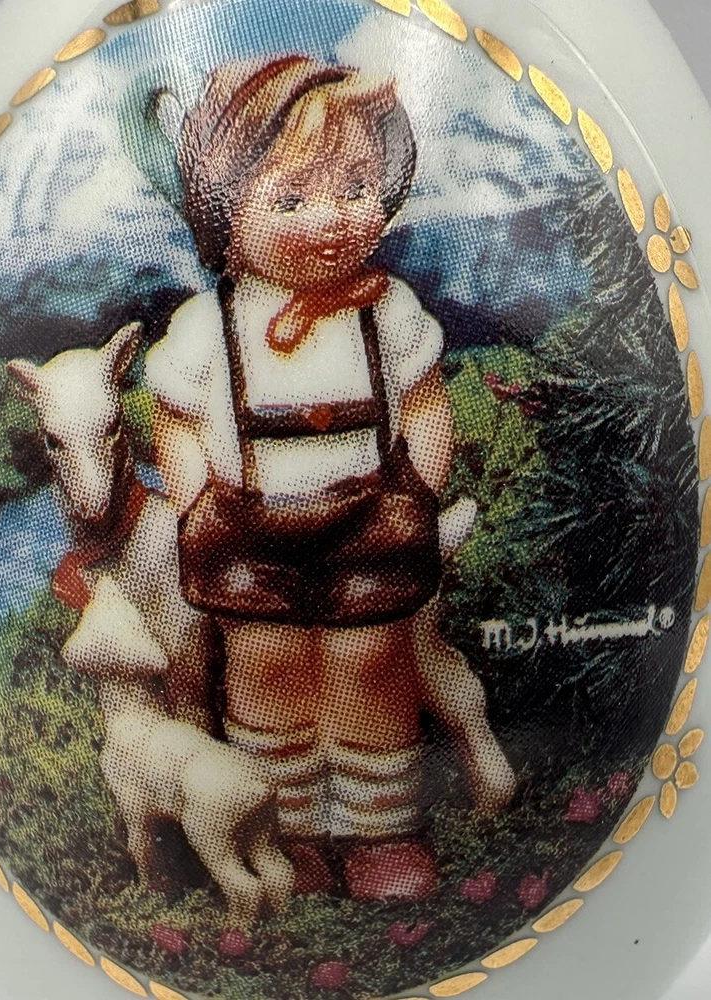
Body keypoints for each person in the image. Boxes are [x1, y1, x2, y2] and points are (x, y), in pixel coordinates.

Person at [145, 55, 515, 902]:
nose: (331, 219)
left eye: (356, 188)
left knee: (371, 662)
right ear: (221, 211)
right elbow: (176, 422)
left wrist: (416, 490)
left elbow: (424, 405)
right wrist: (199, 500)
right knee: (266, 667)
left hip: (369, 523)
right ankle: (295, 831)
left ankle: (380, 829)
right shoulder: (209, 327)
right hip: (248, 528)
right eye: (290, 200)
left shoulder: (388, 313)